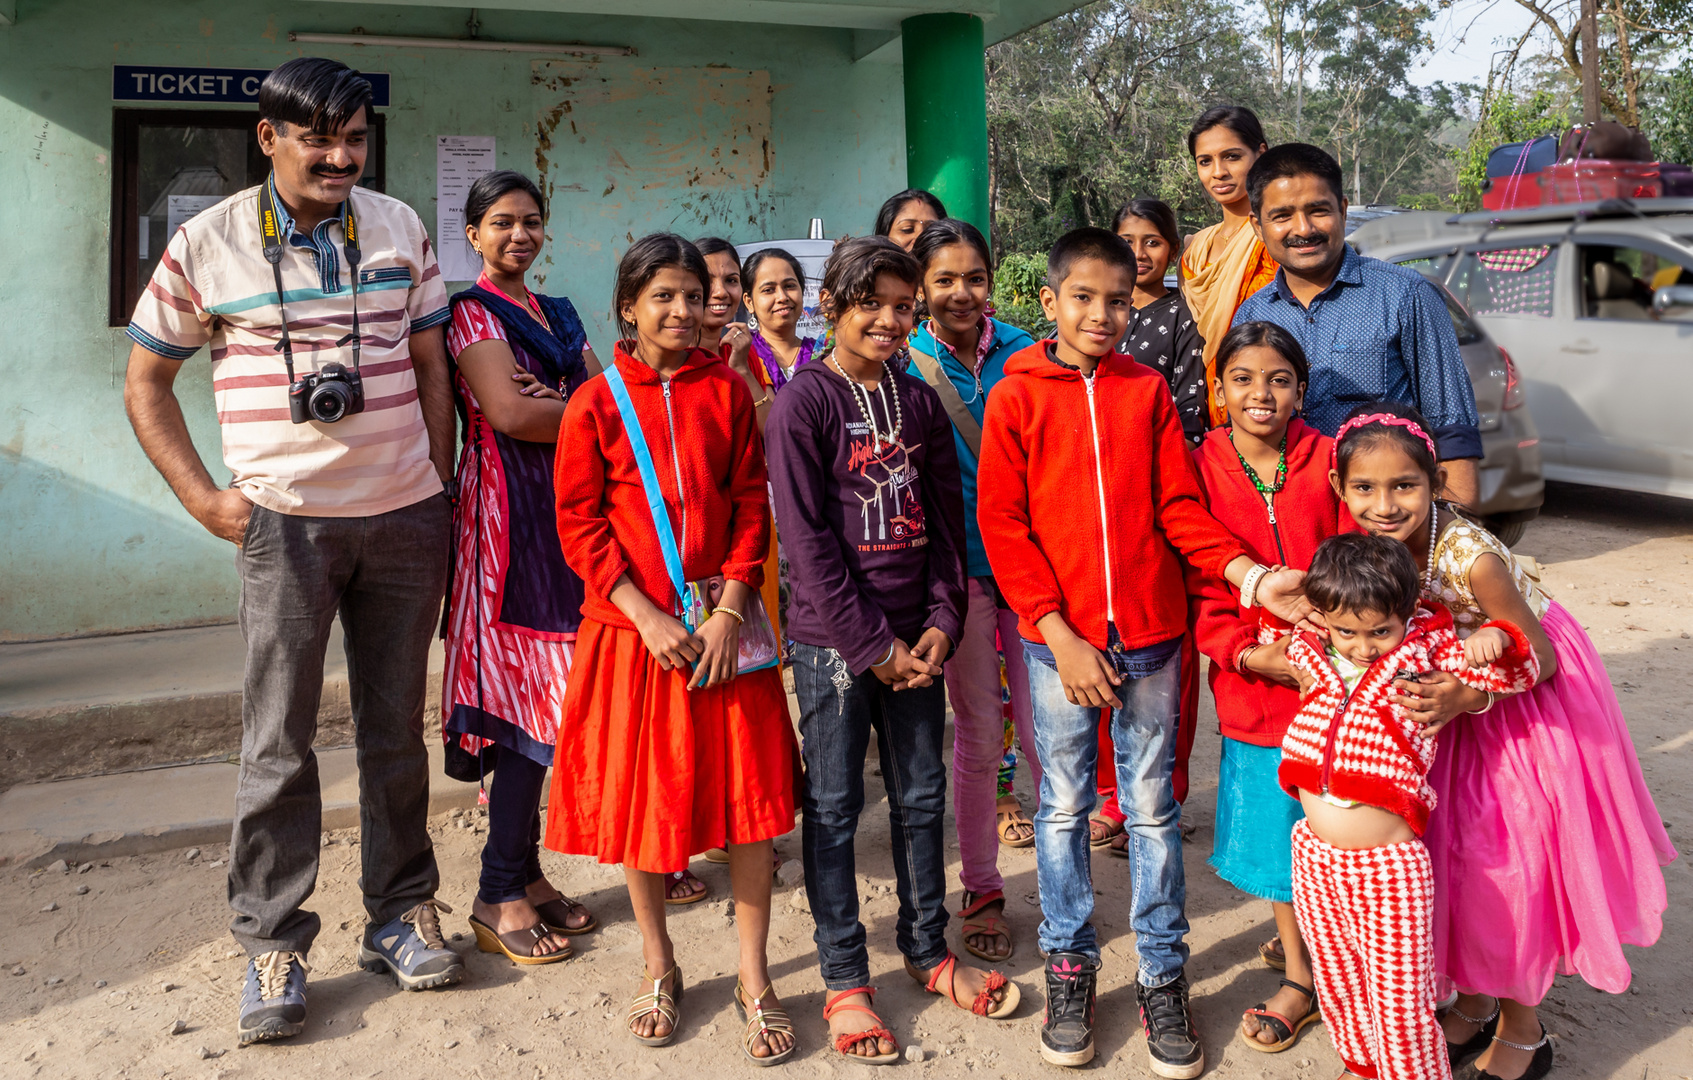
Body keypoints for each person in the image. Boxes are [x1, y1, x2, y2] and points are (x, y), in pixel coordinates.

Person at [122, 58, 464, 1045]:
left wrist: (433, 481)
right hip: (283, 528)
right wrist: (204, 500)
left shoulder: (399, 228)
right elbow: (146, 384)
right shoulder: (208, 240)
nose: (339, 156)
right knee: (279, 741)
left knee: (398, 730)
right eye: (318, 138)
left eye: (355, 139)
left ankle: (401, 913)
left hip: (405, 521)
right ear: (267, 138)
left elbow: (431, 360)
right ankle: (273, 939)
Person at [975, 227, 1310, 1075]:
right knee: (1059, 809)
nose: (1101, 314)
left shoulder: (1146, 390)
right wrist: (1057, 632)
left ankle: (1162, 974)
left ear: (1138, 303)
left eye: (1117, 300)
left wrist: (1249, 576)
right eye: (1082, 298)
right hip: (1060, 648)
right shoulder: (1013, 397)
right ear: (1047, 303)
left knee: (1154, 810)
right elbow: (1003, 528)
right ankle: (1070, 965)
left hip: (1153, 640)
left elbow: (1176, 507)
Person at [1330, 404, 1676, 1080]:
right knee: (1453, 862)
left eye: (1404, 485)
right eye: (1364, 488)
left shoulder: (1471, 558)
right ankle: (1475, 1006)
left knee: (1510, 864)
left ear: (1434, 483)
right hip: (1454, 700)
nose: (1383, 503)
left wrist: (1469, 696)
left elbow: (1539, 657)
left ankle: (1524, 1031)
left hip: (1520, 698)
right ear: (1341, 491)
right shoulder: (1368, 547)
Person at [545, 234, 800, 1063]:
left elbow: (750, 502)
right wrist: (645, 615)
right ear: (628, 306)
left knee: (751, 809)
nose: (683, 311)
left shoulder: (728, 391)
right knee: (645, 809)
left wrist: (730, 607)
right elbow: (579, 524)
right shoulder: (594, 402)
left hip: (723, 634)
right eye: (663, 296)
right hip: (634, 639)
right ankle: (660, 963)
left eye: (693, 295)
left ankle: (754, 976)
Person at [766, 236, 1018, 1066]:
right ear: (831, 305)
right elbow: (804, 543)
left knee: (919, 795)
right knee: (835, 806)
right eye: (870, 302)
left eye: (902, 307)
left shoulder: (915, 402)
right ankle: (844, 978)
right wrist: (872, 645)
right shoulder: (803, 402)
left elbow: (949, 523)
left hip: (920, 639)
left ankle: (925, 947)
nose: (887, 319)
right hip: (835, 645)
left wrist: (943, 619)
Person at [1276, 532, 1540, 1080]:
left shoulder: (1427, 650)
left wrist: (1496, 638)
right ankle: (1364, 1069)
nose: (1362, 646)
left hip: (1389, 868)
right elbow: (1273, 628)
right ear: (1324, 615)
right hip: (1315, 856)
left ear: (1407, 612)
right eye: (1346, 631)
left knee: (1401, 1003)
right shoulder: (1309, 646)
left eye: (1380, 631)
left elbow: (1520, 670)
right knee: (1339, 981)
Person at [440, 170, 599, 965]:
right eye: (501, 223)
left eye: (531, 221)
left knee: (549, 708)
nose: (519, 235)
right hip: (506, 531)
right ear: (473, 234)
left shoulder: (557, 312)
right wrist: (573, 404)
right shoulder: (471, 313)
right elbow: (508, 413)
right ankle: (496, 889)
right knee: (522, 708)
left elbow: (605, 395)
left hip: (564, 516)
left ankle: (527, 876)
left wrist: (565, 403)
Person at [1187, 322, 1353, 1054]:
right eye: (1243, 378)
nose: (1261, 393)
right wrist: (1249, 654)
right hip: (1254, 689)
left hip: (1344, 684)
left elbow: (1362, 555)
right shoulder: (1197, 468)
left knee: (1347, 831)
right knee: (1285, 839)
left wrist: (1334, 640)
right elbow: (1193, 585)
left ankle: (1352, 963)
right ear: (1217, 389)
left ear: (1301, 389)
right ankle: (1301, 976)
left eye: (1278, 379)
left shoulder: (1331, 459)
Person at [905, 219, 1039, 962]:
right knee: (980, 733)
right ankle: (982, 884)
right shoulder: (906, 361)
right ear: (921, 286)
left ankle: (1060, 884)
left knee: (1052, 733)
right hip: (956, 575)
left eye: (974, 278)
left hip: (1031, 570)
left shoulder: (1027, 354)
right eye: (944, 280)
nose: (961, 293)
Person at [1234, 143, 1483, 507]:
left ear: (1343, 210)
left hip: (1385, 523)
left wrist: (1451, 535)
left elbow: (1452, 427)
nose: (1303, 229)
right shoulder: (1251, 317)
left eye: (1318, 210)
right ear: (1258, 225)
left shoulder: (1406, 295)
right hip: (1294, 523)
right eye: (1282, 215)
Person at [1181, 105, 1276, 426]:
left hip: (1268, 402)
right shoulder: (1194, 251)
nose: (1217, 172)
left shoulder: (1276, 241)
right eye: (1205, 161)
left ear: (1260, 154)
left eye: (1232, 157)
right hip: (1205, 406)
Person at [1114, 199, 1207, 446]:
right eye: (1126, 242)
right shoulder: (1097, 311)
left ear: (1174, 251)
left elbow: (1190, 416)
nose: (1138, 254)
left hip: (1156, 458)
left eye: (1152, 243)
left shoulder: (1186, 315)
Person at [744, 247, 819, 391]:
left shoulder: (823, 354)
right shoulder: (743, 355)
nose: (782, 297)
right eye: (768, 290)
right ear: (749, 302)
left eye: (789, 286)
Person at [874, 188, 947, 251]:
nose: (920, 238)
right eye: (907, 229)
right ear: (884, 237)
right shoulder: (866, 266)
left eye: (931, 230)